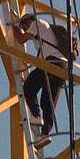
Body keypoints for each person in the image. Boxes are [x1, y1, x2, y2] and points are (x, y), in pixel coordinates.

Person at [12, 14, 67, 148]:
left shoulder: (38, 24)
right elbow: (43, 54)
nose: (24, 28)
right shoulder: (44, 34)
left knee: (29, 87)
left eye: (24, 25)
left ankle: (36, 116)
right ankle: (45, 133)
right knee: (48, 100)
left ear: (30, 20)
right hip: (62, 65)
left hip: (52, 62)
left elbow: (20, 39)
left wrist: (13, 27)